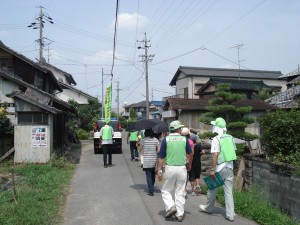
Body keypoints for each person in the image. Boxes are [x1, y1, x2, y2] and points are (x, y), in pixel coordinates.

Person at [199, 117, 237, 222]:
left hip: (220, 168)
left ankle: (208, 207)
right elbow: (233, 151)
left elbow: (215, 155)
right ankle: (230, 214)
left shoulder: (216, 139)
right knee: (228, 192)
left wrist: (212, 169)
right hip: (229, 167)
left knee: (212, 188)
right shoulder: (230, 137)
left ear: (216, 127)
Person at [157, 120, 193, 222]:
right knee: (180, 191)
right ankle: (179, 214)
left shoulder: (166, 140)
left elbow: (161, 156)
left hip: (170, 168)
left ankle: (171, 206)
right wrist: (189, 164)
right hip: (182, 168)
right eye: (180, 128)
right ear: (177, 129)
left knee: (166, 190)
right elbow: (190, 153)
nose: (181, 129)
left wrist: (159, 169)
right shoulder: (184, 139)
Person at [141, 129, 160, 196]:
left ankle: (151, 190)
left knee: (148, 174)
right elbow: (158, 150)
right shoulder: (156, 140)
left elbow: (140, 148)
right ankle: (152, 186)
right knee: (152, 173)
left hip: (146, 160)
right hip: (154, 159)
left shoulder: (143, 140)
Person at [181, 127, 194, 199]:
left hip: (181, 160)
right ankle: (184, 190)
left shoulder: (180, 140)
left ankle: (182, 190)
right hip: (188, 161)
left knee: (181, 177)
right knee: (186, 176)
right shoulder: (191, 142)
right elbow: (192, 153)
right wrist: (190, 164)